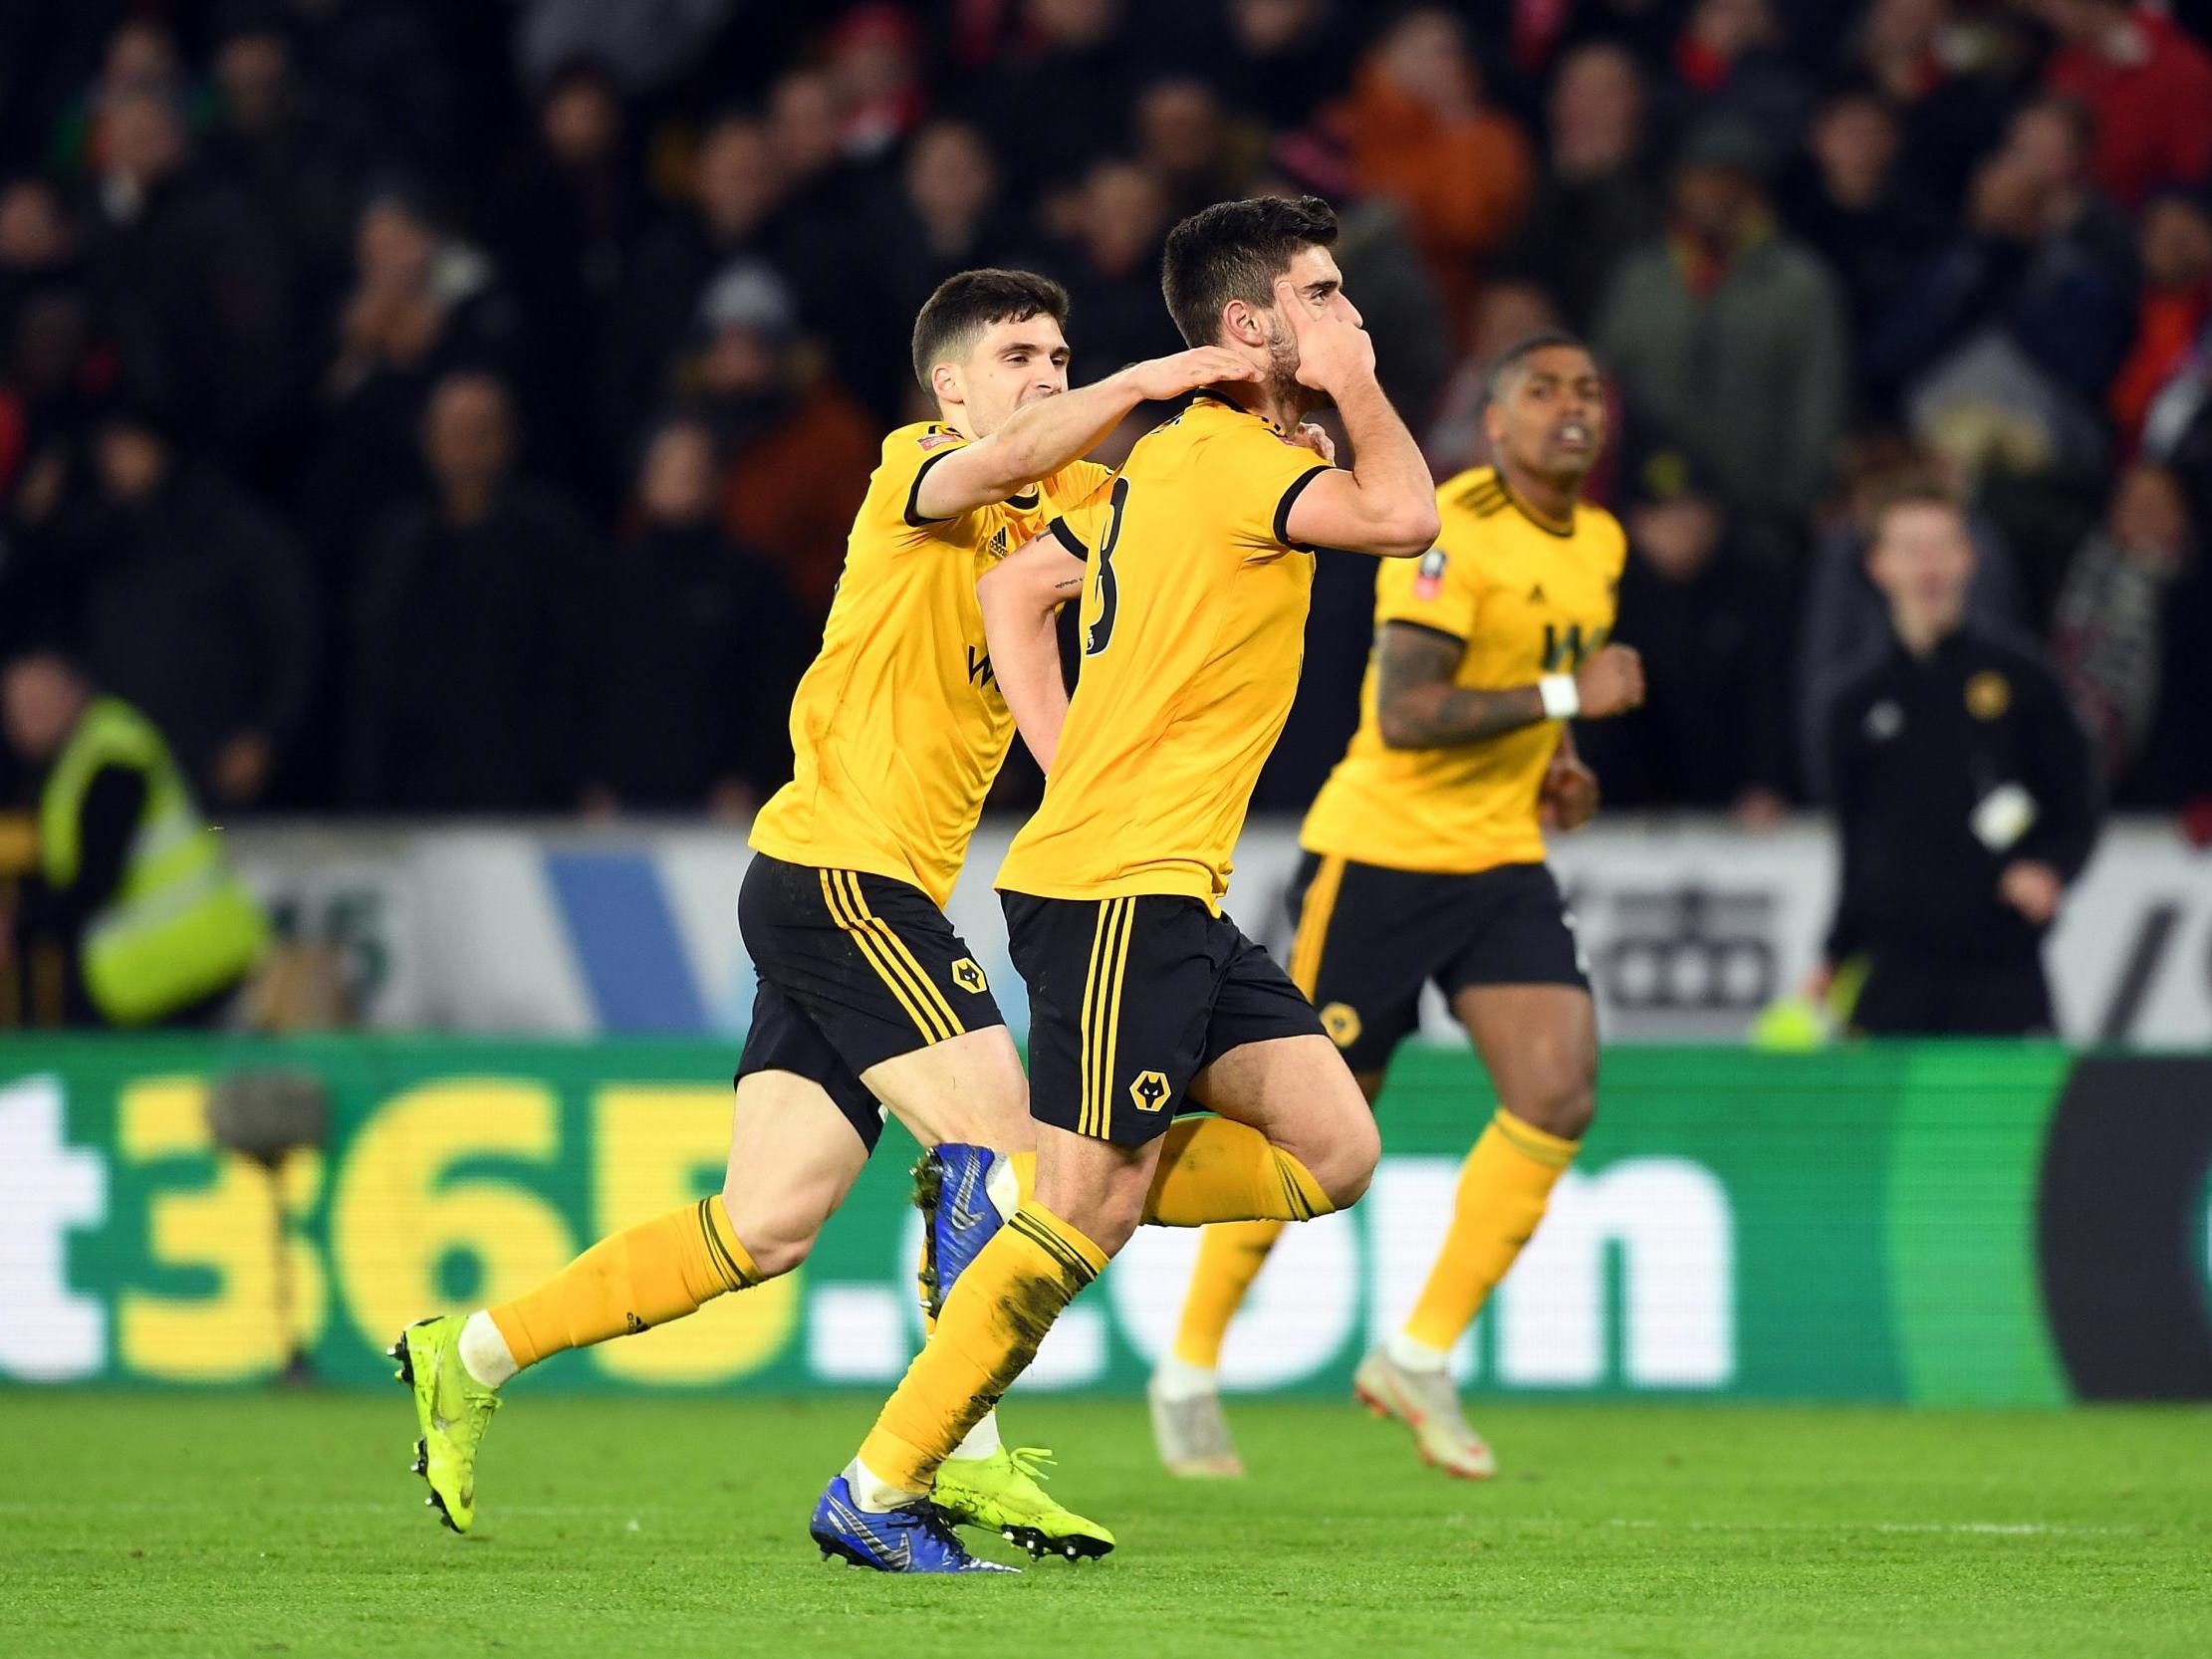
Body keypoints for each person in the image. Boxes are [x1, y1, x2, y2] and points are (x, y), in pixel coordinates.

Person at [390, 269, 1259, 1560]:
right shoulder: (912, 470)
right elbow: (1019, 454)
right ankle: (953, 1460)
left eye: (1063, 352)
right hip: (838, 878)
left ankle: (466, 1350)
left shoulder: (1071, 500)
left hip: (849, 889)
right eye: (1018, 353)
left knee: (765, 1224)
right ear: (949, 383)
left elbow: (1189, 515)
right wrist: (1143, 381)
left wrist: (1272, 427)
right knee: (1009, 1152)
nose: (1050, 371)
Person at [810, 194, 1439, 1572]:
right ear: (1245, 327)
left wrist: (1064, 751)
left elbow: (1013, 594)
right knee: (1086, 1209)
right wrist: (1359, 385)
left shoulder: (1159, 471)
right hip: (1111, 891)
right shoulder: (1213, 457)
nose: (1349, 319)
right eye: (1322, 297)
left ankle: (1052, 1173)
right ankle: (879, 1479)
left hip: (1172, 890)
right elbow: (1404, 514)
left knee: (1333, 1149)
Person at [1150, 332, 1644, 1480]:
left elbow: (1525, 677)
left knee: (1559, 1089)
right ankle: (1188, 1363)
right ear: (1495, 419)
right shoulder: (1448, 531)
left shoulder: (1602, 542)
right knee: (1319, 1129)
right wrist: (1572, 691)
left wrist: (1557, 752)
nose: (1571, 408)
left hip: (1497, 858)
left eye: (1588, 389)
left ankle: (1417, 1354)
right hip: (1377, 862)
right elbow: (1412, 711)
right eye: (1542, 390)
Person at [1813, 484, 2100, 1036]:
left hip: (2001, 967)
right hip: (1893, 971)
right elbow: (1856, 847)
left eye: (1944, 546)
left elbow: (2078, 802)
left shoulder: (2025, 682)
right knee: (1879, 1117)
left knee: (2010, 1121)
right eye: (1913, 549)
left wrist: (2050, 867)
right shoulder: (1852, 705)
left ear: (1969, 558)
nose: (1931, 566)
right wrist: (1835, 953)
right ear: (1879, 566)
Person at [0, 650, 267, 1029]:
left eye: (38, 702)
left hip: (180, 967)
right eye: (16, 710)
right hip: (165, 969)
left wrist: (22, 928)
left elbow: (96, 878)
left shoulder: (113, 755)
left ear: (74, 691)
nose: (26, 721)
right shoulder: (76, 757)